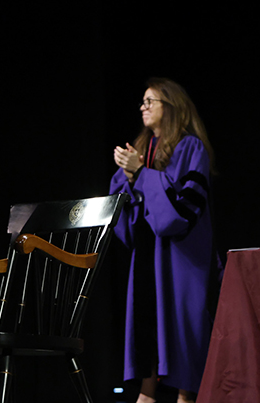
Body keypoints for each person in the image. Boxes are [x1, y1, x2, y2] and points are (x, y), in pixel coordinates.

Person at [110, 78, 219, 403]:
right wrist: (130, 177)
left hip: (182, 260)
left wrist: (141, 174)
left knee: (184, 338)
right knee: (148, 343)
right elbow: (122, 214)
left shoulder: (190, 147)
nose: (142, 107)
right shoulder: (142, 150)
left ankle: (187, 396)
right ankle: (147, 395)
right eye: (142, 101)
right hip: (146, 259)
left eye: (150, 101)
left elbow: (183, 210)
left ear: (171, 107)